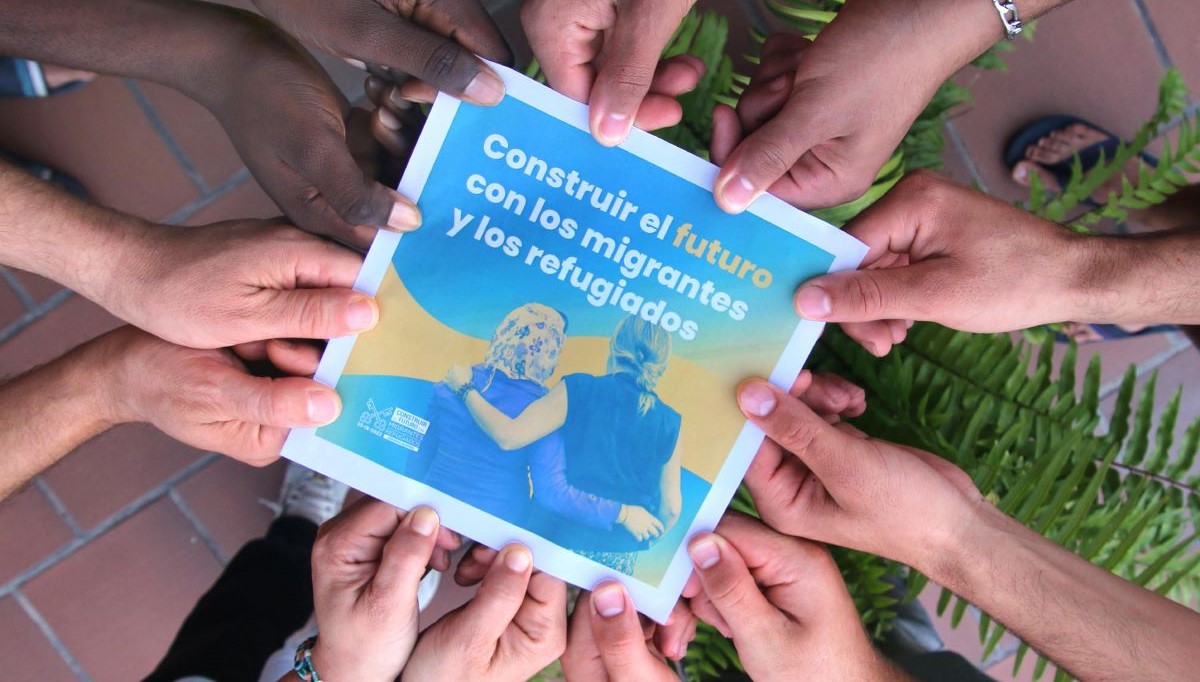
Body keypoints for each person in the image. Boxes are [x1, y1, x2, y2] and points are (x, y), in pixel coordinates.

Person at [445, 315, 683, 574]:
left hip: (553, 536)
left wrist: (464, 388)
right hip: (616, 555)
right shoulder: (670, 421)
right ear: (661, 364)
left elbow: (508, 436)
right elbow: (671, 509)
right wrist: (648, 537)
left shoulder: (578, 388)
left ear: (614, 345)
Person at [415, 303, 655, 536]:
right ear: (550, 351)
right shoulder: (544, 408)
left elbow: (419, 453)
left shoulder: (454, 380)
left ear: (506, 331)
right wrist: (621, 513)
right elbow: (552, 492)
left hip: (431, 507)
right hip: (494, 527)